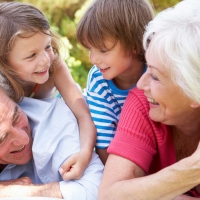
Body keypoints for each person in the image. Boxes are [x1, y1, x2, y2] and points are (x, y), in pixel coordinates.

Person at [98, 0, 200, 199]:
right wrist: (192, 169)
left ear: (193, 90)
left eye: (154, 76)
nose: (140, 84)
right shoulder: (143, 103)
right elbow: (110, 195)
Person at [0, 2, 96, 181]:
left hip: (56, 134)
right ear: (4, 62)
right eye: (31, 56)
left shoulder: (54, 66)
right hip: (20, 145)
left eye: (47, 46)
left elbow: (83, 114)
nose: (45, 60)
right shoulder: (3, 86)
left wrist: (85, 154)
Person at [0, 74, 103, 199]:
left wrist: (20, 191)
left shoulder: (53, 119)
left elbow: (95, 189)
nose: (24, 139)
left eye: (16, 117)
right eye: (2, 138)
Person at [76, 0, 154, 164]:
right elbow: (104, 140)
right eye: (90, 49)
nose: (93, 59)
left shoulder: (155, 71)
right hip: (121, 151)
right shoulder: (98, 79)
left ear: (134, 44)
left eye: (103, 50)